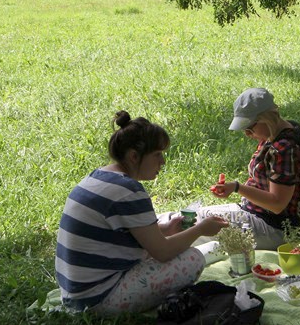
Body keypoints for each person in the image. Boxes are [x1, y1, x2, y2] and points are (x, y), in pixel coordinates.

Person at [55, 111, 229, 314]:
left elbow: (122, 234)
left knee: (160, 241)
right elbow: (162, 252)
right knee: (193, 258)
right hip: (97, 299)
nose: (162, 162)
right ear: (134, 156)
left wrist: (164, 229)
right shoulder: (128, 191)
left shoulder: (99, 176)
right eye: (157, 155)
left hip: (74, 294)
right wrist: (200, 229)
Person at [205, 88, 300, 250]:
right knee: (190, 220)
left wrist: (237, 187)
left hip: (273, 228)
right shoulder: (281, 133)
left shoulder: (283, 149)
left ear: (266, 118)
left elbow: (277, 203)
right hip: (257, 216)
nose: (246, 133)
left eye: (249, 127)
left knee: (193, 225)